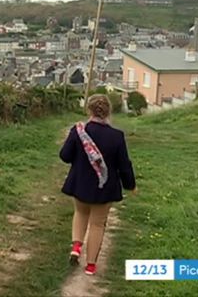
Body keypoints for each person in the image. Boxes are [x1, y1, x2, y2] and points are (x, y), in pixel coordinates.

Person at [59, 94, 136, 275]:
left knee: (80, 213)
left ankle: (76, 246)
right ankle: (91, 265)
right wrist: (130, 185)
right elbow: (124, 165)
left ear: (89, 110)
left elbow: (64, 156)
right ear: (108, 112)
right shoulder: (116, 136)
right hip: (105, 189)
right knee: (97, 225)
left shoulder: (78, 131)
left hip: (80, 185)